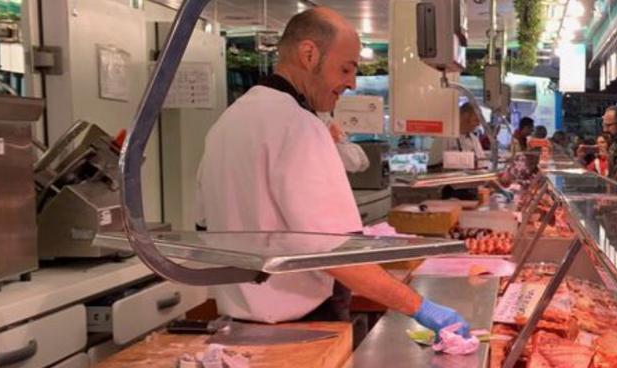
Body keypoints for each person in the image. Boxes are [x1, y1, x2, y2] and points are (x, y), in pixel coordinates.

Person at [196, 8, 470, 336]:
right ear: (309, 54)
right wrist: (420, 307)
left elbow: (204, 224)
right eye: (345, 69)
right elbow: (340, 255)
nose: (351, 83)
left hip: (238, 327)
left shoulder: (226, 124)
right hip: (302, 329)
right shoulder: (300, 127)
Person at [428, 101, 487, 168]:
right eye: (476, 120)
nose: (478, 124)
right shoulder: (444, 137)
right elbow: (432, 167)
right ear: (465, 117)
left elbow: (482, 163)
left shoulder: (474, 139)